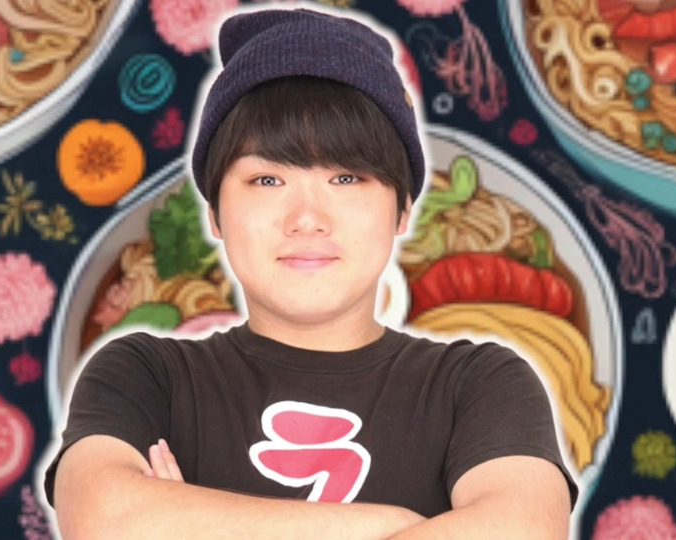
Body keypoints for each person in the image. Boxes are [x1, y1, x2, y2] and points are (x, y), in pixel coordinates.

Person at [43, 3, 577, 538]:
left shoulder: (480, 383)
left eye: (346, 178)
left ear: (402, 210)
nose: (306, 219)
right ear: (215, 214)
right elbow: (105, 519)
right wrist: (396, 523)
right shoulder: (145, 374)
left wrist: (189, 520)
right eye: (267, 180)